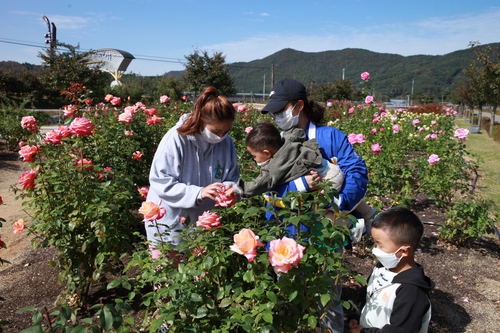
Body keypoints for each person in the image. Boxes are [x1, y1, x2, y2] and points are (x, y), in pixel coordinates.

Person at [261, 78, 377, 333]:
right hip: (286, 232)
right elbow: (267, 186)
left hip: (325, 233)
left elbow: (355, 171)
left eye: (281, 110)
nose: (277, 117)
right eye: (274, 112)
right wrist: (300, 187)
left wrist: (337, 203)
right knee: (288, 293)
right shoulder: (275, 143)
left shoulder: (330, 137)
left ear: (299, 105)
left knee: (327, 296)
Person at [228, 121, 378, 238]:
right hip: (331, 168)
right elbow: (297, 132)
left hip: (326, 180)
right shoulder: (287, 139)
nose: (254, 160)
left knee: (317, 212)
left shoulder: (275, 167)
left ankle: (352, 225)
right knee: (339, 198)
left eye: (254, 156)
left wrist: (238, 188)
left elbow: (258, 185)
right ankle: (369, 212)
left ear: (267, 153)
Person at [145, 86, 240, 248]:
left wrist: (229, 189)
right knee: (168, 271)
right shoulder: (176, 138)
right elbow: (161, 181)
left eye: (226, 131)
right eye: (216, 130)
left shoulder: (226, 142)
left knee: (202, 270)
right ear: (201, 120)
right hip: (170, 224)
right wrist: (199, 192)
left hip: (204, 224)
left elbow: (232, 177)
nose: (221, 136)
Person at [350, 207, 434, 333]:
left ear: (403, 251)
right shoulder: (382, 267)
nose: (375, 249)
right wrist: (356, 315)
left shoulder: (411, 292)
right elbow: (367, 294)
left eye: (379, 244)